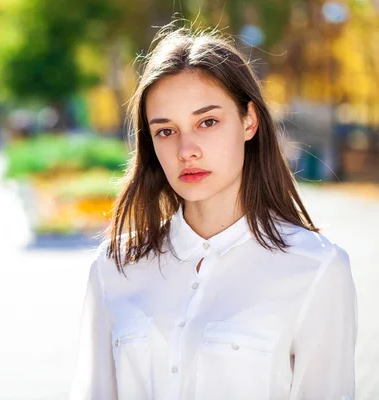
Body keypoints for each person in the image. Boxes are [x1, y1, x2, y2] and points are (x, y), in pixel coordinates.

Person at [70, 24, 357, 400]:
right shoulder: (114, 266)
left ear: (249, 121)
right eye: (166, 131)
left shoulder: (316, 269)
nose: (186, 149)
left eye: (207, 122)